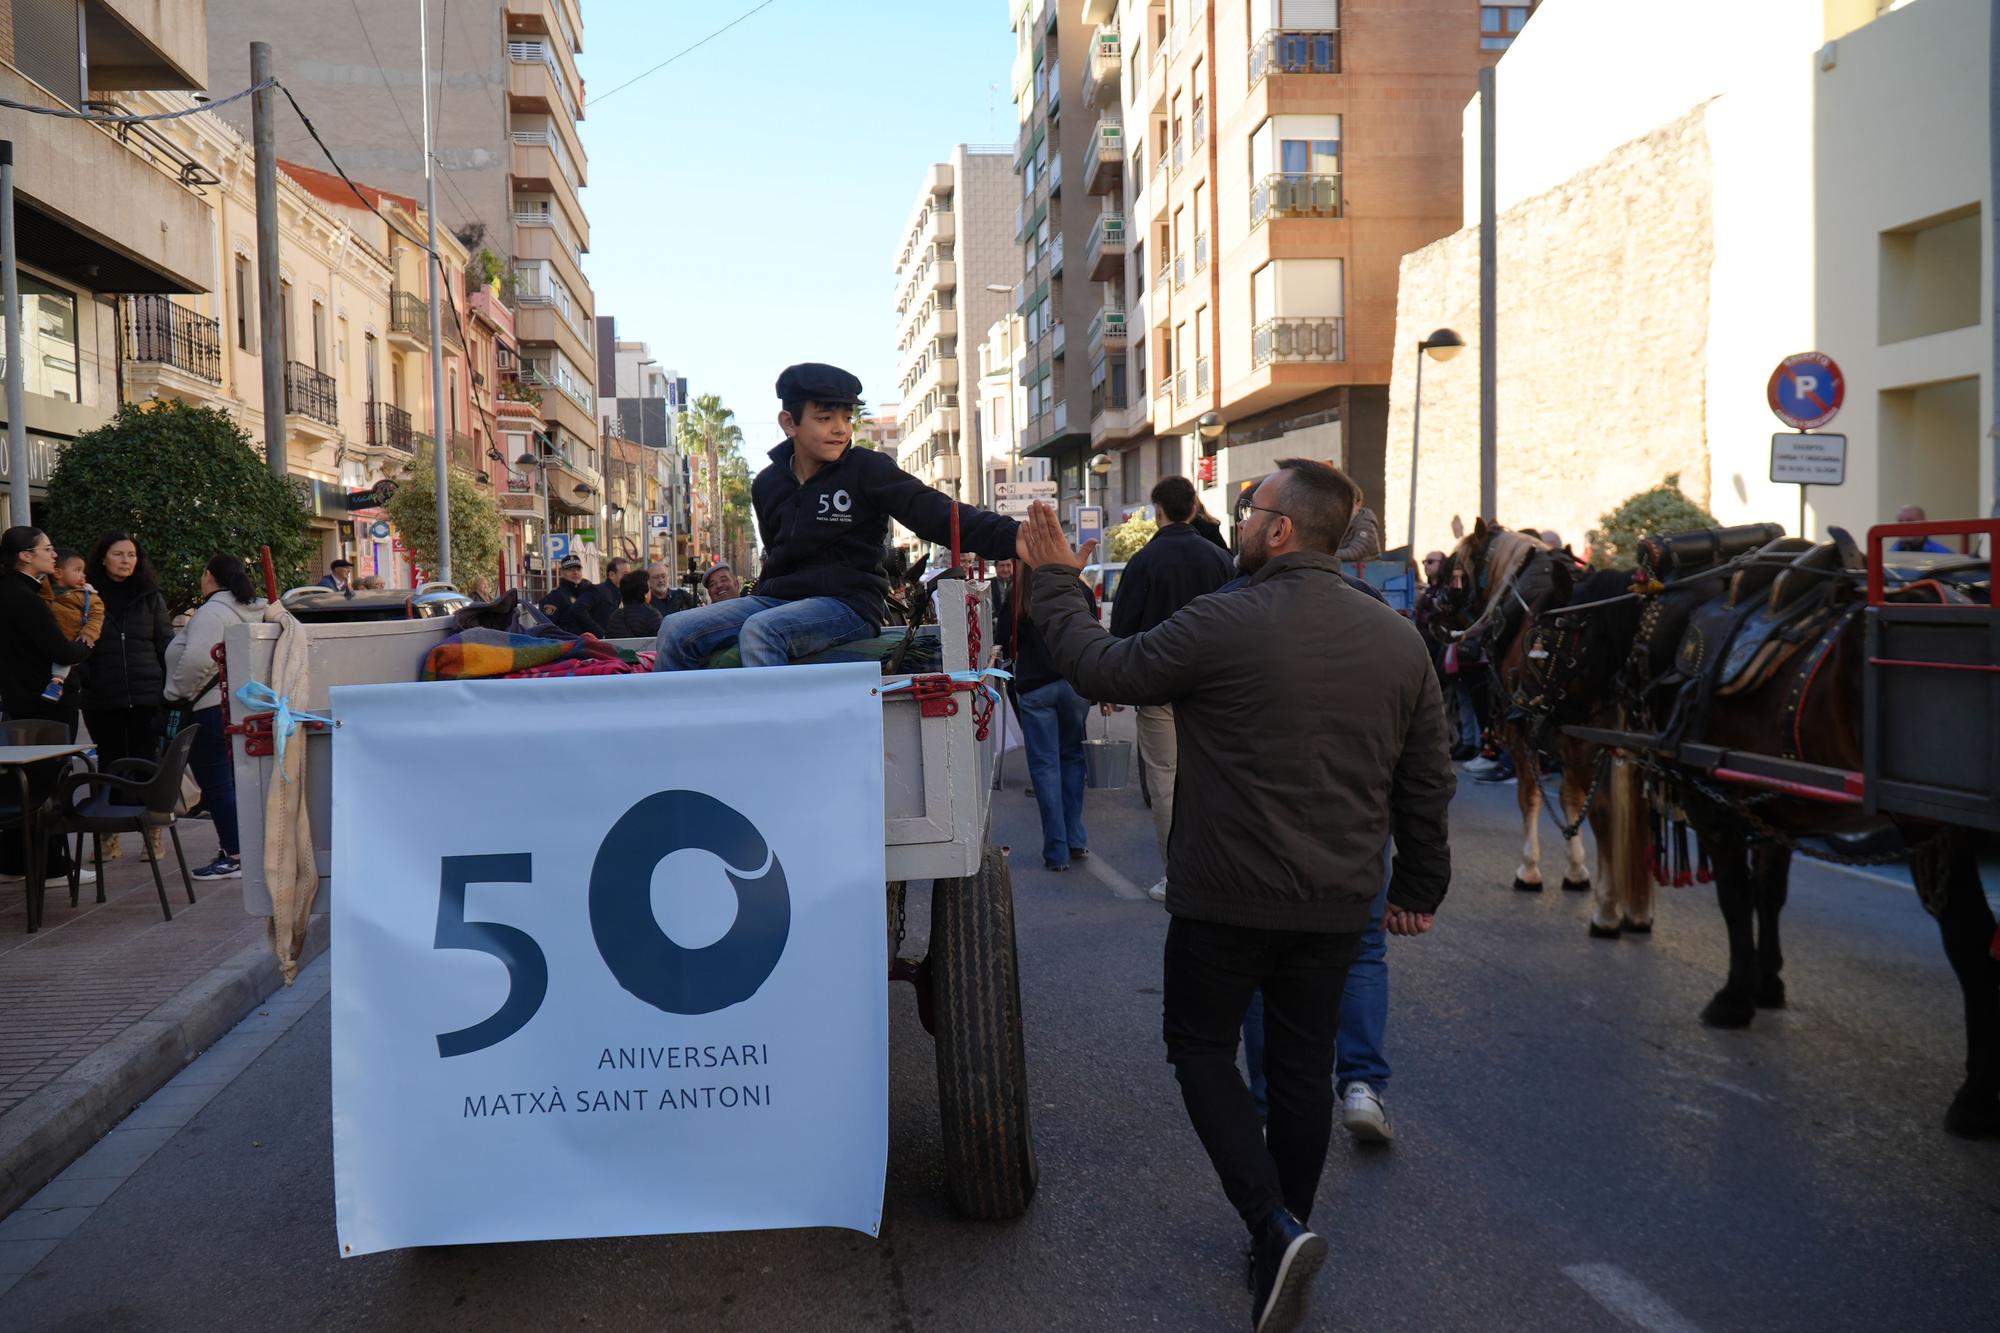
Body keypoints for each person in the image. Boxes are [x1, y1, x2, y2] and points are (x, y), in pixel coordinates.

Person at [1019, 459, 1453, 1333]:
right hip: (1335, 902)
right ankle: (1278, 1247)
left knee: (1201, 1046)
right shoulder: (1397, 637)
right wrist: (1419, 882)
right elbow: (1427, 778)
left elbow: (1101, 667)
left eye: (1250, 510)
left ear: (1283, 529)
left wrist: (1058, 581)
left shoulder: (1228, 618)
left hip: (1225, 899)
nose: (1240, 523)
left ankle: (1272, 1223)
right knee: (1298, 1075)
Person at [655, 363, 1024, 670]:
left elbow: (935, 512)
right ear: (789, 422)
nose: (841, 429)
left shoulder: (868, 468)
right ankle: (674, 738)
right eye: (825, 417)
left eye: (847, 417)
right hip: (778, 600)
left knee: (761, 632)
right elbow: (776, 550)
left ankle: (779, 749)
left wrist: (1017, 538)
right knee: (674, 628)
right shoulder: (767, 484)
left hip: (848, 604)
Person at [1112, 475, 1236, 902]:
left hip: (1160, 684)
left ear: (1158, 510)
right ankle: (1219, 868)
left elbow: (1123, 627)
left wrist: (1113, 685)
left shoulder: (1145, 561)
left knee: (1165, 782)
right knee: (1217, 776)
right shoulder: (1220, 558)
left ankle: (1176, 875)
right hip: (1216, 687)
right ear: (1193, 509)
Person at [0, 527, 95, 888]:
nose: (54, 555)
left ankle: (12, 862)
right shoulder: (25, 598)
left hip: (19, 701)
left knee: (17, 782)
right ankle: (53, 866)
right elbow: (61, 650)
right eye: (47, 548)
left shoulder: (13, 592)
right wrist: (85, 643)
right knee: (50, 782)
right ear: (25, 555)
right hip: (49, 703)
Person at [164, 553, 266, 881]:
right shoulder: (256, 610)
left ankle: (235, 854)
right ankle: (249, 850)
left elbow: (196, 660)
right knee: (239, 784)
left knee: (217, 784)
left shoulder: (213, 612)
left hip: (208, 708)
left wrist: (175, 693)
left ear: (209, 575)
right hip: (244, 707)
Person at [995, 559, 1093, 871]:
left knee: (1045, 766)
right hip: (1073, 683)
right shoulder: (1078, 588)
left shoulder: (1019, 593)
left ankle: (1056, 850)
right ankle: (1076, 838)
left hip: (1035, 688)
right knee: (1074, 759)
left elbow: (1005, 642)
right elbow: (1093, 636)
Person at [78, 531, 173, 857]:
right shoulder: (86, 596)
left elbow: (165, 644)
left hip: (147, 694)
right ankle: (109, 837)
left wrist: (168, 687)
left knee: (149, 764)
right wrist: (87, 681)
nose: (126, 561)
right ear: (103, 558)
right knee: (110, 764)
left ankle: (154, 833)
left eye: (131, 555)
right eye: (119, 554)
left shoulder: (149, 595)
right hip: (103, 697)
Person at [39, 550, 102, 704]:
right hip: (47, 636)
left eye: (83, 571)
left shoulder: (87, 595)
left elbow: (97, 615)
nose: (83, 575)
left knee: (62, 661)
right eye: (77, 570)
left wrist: (88, 632)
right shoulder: (48, 590)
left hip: (70, 637)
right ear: (58, 573)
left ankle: (56, 683)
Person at [539, 555, 597, 634]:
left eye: (578, 569)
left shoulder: (588, 593)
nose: (575, 573)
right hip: (569, 642)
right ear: (562, 573)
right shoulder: (555, 598)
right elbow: (548, 628)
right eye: (570, 570)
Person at [605, 569, 664, 640]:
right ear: (645, 593)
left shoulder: (615, 617)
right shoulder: (652, 615)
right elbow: (662, 642)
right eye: (649, 588)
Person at [589, 557, 632, 633]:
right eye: (625, 575)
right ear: (612, 575)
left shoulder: (621, 593)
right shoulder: (598, 591)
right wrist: (600, 633)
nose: (629, 578)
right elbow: (579, 611)